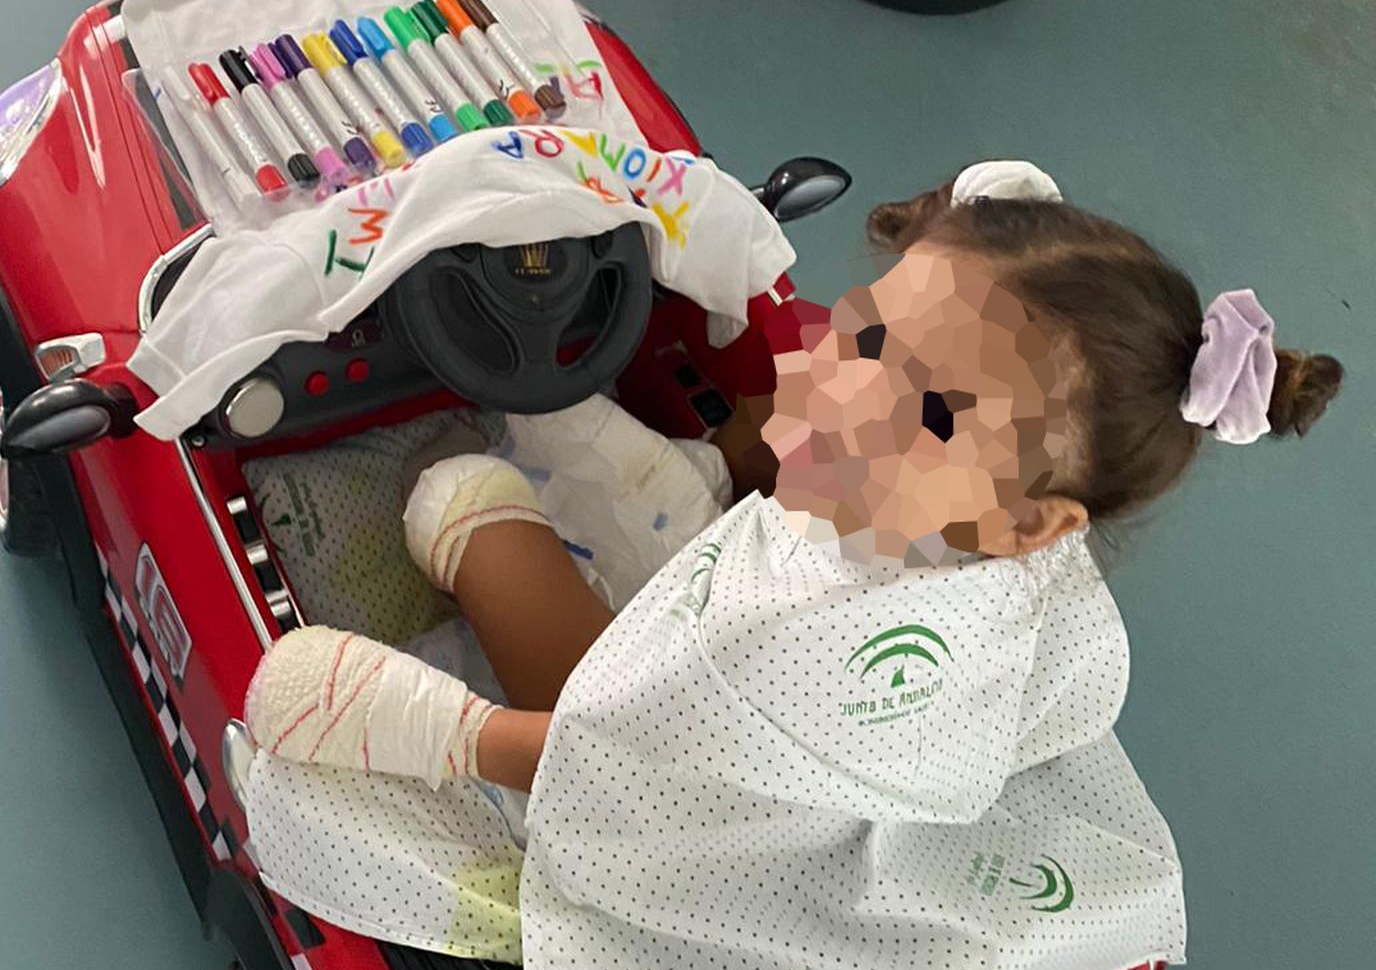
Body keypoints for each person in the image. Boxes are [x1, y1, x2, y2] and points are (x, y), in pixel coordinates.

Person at [244, 159, 1343, 791]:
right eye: (866, 336)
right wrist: (716, 461)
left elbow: (627, 765)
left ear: (1029, 525)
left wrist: (444, 734)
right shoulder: (994, 535)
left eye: (924, 408)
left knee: (457, 493)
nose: (842, 382)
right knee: (578, 419)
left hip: (641, 763)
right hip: (719, 611)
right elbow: (792, 416)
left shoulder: (837, 662)